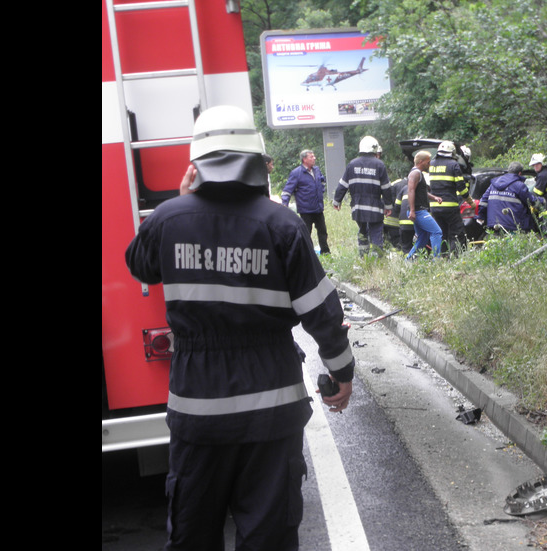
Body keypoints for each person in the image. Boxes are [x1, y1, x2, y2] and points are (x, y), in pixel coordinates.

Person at [124, 105, 355, 551]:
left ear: (197, 164)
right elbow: (322, 313)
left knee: (193, 534)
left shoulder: (169, 219)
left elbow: (140, 265)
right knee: (269, 537)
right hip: (271, 411)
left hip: (197, 414)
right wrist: (340, 375)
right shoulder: (283, 225)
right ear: (258, 161)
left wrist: (176, 199)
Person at [333, 136, 394, 257]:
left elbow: (343, 185)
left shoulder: (352, 164)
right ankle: (377, 260)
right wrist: (388, 206)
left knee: (362, 232)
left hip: (358, 208)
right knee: (376, 232)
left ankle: (363, 257)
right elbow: (386, 188)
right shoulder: (379, 165)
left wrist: (336, 201)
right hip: (375, 208)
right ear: (374, 149)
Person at [282, 149, 330, 255]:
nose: (314, 158)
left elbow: (322, 181)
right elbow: (287, 190)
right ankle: (309, 254)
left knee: (323, 232)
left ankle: (325, 252)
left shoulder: (316, 170)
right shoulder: (296, 173)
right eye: (311, 157)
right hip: (306, 210)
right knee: (306, 234)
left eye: (314, 156)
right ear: (304, 159)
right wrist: (284, 205)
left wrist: (321, 191)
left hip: (318, 208)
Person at [428, 140, 472, 257]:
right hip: (450, 206)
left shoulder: (431, 164)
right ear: (452, 153)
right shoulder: (453, 165)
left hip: (434, 207)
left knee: (440, 233)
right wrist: (470, 201)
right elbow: (461, 188)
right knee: (457, 233)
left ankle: (441, 257)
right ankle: (455, 258)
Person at [475, 161, 542, 234]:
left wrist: (481, 216)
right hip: (513, 225)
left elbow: (483, 201)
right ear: (520, 173)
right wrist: (543, 200)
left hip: (494, 224)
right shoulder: (519, 186)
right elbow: (531, 200)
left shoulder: (493, 185)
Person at [406, 150, 443, 260]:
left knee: (423, 237)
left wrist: (434, 197)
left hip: (418, 211)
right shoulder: (415, 173)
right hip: (418, 211)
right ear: (421, 161)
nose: (429, 164)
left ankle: (408, 260)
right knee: (436, 232)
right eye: (428, 162)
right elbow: (411, 190)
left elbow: (420, 191)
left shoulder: (418, 173)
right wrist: (412, 210)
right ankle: (436, 260)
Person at [384, 178, 408, 250]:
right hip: (395, 222)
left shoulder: (396, 182)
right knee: (398, 244)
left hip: (385, 219)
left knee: (385, 243)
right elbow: (398, 205)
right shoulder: (406, 186)